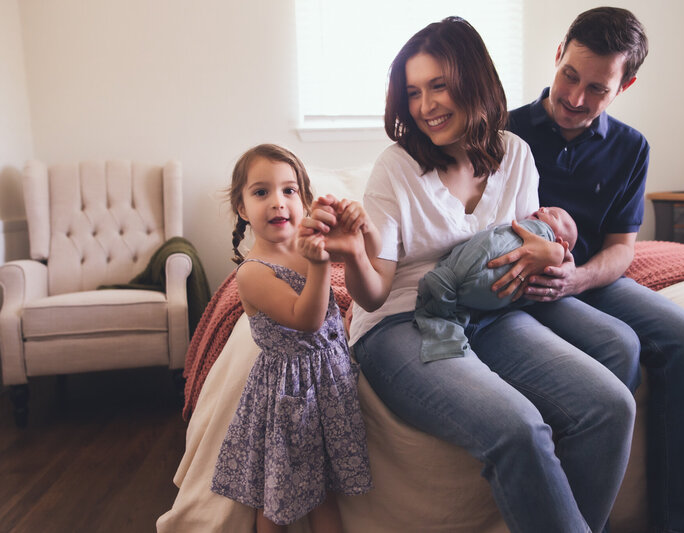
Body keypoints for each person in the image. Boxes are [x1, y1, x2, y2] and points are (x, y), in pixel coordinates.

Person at [305, 17, 636, 533]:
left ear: (473, 79)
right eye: (413, 92)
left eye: (439, 85)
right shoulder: (395, 169)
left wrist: (551, 254)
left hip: (494, 315)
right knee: (519, 427)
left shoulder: (517, 155)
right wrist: (350, 254)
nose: (425, 105)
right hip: (403, 324)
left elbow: (527, 242)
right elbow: (373, 297)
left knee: (611, 405)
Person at [505, 7, 684, 533]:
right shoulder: (504, 130)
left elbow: (624, 248)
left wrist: (581, 279)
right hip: (523, 284)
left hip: (593, 280)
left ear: (626, 84)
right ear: (558, 54)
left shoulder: (631, 147)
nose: (575, 98)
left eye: (597, 89)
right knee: (618, 344)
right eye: (569, 76)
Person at [210, 144, 373, 533]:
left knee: (325, 494)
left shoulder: (311, 248)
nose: (278, 202)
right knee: (277, 498)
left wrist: (360, 227)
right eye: (261, 192)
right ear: (242, 207)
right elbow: (307, 320)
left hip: (330, 385)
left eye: (289, 190)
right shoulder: (251, 273)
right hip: (289, 394)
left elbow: (363, 266)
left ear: (305, 200)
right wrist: (318, 264)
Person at [414, 206, 577, 362]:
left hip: (461, 287)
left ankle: (448, 289)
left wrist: (557, 252)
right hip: (477, 301)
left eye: (553, 215)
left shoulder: (542, 232)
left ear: (560, 241)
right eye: (545, 207)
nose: (543, 209)